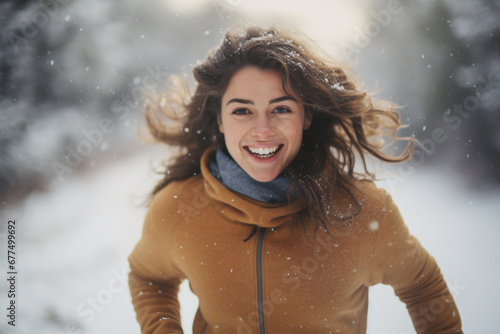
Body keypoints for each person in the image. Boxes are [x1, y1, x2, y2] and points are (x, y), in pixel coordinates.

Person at [128, 25, 463, 334]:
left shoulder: (363, 212)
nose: (263, 130)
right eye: (242, 110)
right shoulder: (179, 208)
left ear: (306, 117)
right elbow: (148, 277)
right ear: (219, 119)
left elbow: (422, 288)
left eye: (282, 109)